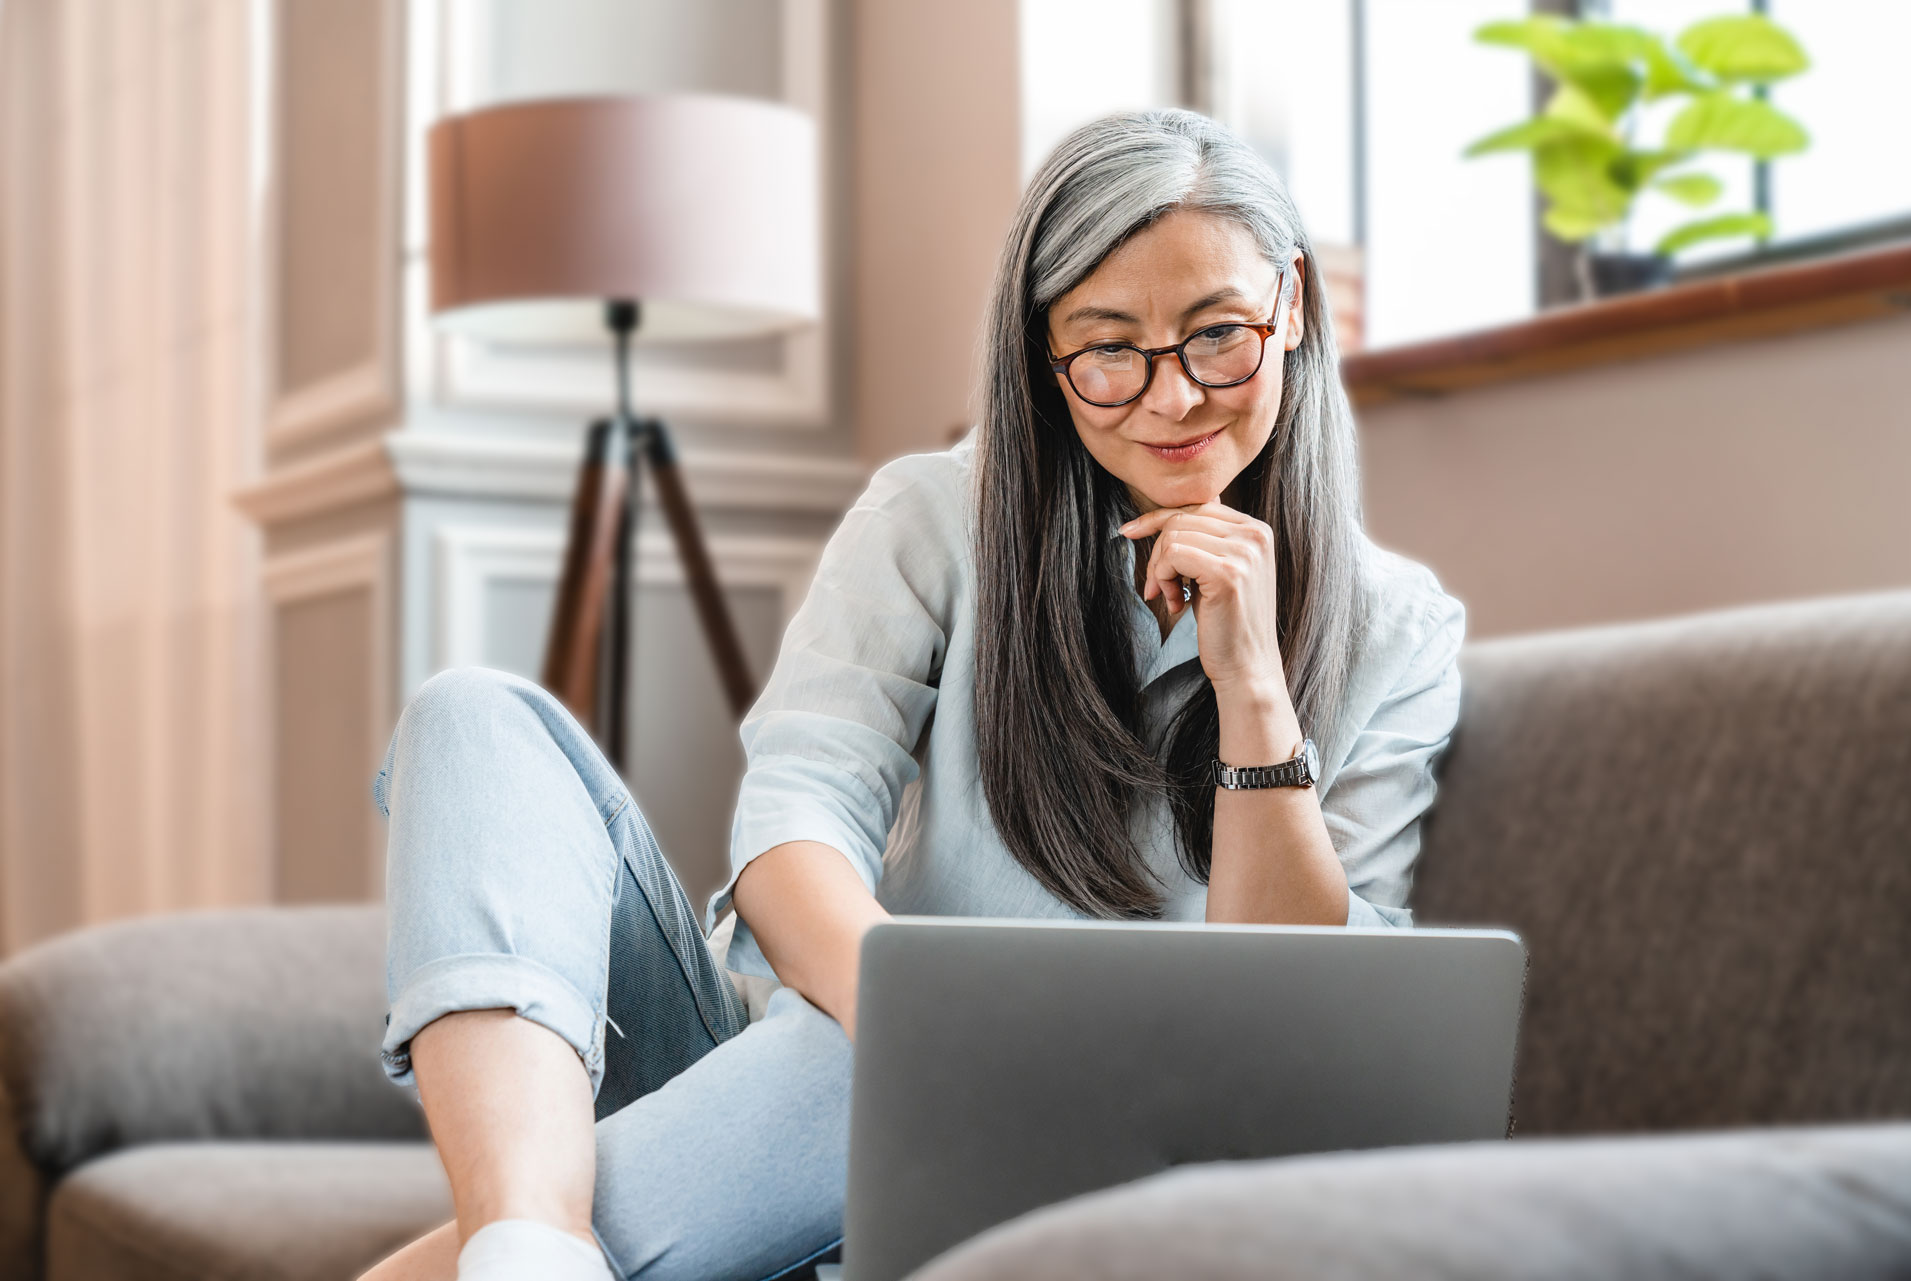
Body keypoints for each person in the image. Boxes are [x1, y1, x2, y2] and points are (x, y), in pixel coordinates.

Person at [360, 108, 1466, 1281]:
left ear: (1292, 303)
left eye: (1218, 337)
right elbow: (793, 836)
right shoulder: (935, 517)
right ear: (1042, 354)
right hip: (819, 1073)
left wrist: (1255, 689)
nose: (1172, 398)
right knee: (476, 716)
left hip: (1048, 1153)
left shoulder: (1397, 633)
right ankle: (526, 1238)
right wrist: (919, 1044)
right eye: (1106, 351)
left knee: (866, 1051)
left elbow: (1297, 1016)